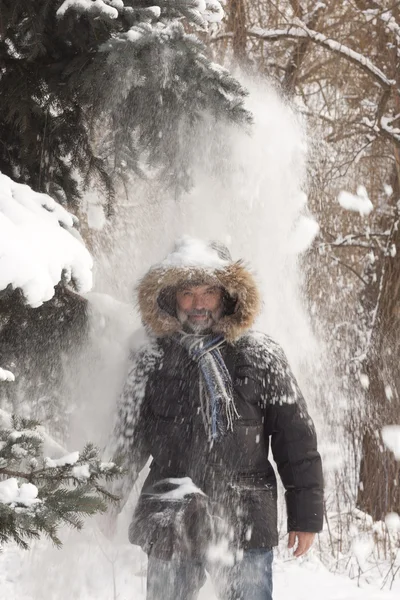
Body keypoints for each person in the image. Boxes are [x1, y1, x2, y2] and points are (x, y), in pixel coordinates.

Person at [110, 237, 324, 600]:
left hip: (245, 514)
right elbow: (129, 437)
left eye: (208, 292)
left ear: (227, 296)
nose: (197, 304)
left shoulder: (260, 355)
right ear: (170, 297)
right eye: (188, 292)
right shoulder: (150, 357)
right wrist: (107, 498)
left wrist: (305, 517)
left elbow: (296, 441)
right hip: (170, 513)